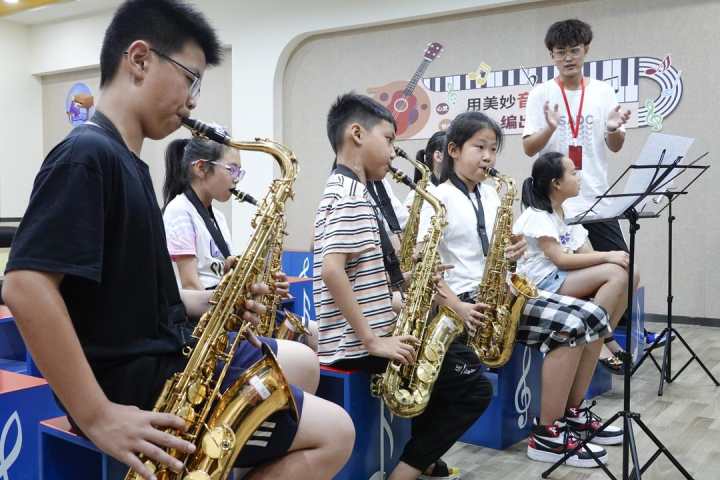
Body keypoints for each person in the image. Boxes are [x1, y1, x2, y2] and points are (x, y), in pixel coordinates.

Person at [1, 2, 352, 479]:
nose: (193, 102)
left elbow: (133, 299)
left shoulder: (126, 161)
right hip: (131, 384)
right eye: (191, 79)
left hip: (156, 357)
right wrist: (97, 415)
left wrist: (213, 301)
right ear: (139, 60)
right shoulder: (86, 154)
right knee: (337, 432)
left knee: (303, 367)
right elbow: (24, 287)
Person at [418, 111, 615, 468]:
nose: (488, 157)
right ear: (453, 150)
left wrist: (515, 250)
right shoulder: (435, 198)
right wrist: (457, 307)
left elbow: (503, 249)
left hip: (502, 291)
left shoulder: (492, 194)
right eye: (479, 148)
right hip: (468, 303)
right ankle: (547, 434)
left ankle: (571, 413)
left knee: (596, 316)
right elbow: (423, 269)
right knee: (570, 326)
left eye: (493, 149)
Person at [314, 93, 492, 480]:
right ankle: (407, 471)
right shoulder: (350, 197)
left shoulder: (348, 189)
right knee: (475, 387)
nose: (394, 151)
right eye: (389, 139)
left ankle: (420, 458)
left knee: (457, 365)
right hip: (357, 345)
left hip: (364, 335)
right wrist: (373, 341)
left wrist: (412, 279)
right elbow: (332, 271)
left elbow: (355, 270)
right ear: (357, 134)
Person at [522, 18, 636, 369]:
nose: (568, 58)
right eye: (560, 52)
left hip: (597, 199)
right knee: (578, 273)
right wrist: (549, 129)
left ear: (586, 50)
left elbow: (615, 145)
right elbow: (529, 148)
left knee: (626, 271)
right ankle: (597, 344)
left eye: (574, 50)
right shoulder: (542, 94)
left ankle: (597, 338)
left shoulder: (602, 92)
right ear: (552, 55)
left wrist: (614, 129)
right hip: (556, 203)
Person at [162, 136, 318, 350]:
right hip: (206, 326)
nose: (237, 179)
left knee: (317, 334)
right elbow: (190, 284)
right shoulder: (179, 210)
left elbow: (223, 273)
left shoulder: (218, 217)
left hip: (226, 314)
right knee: (303, 354)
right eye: (232, 170)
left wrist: (266, 285)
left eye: (239, 172)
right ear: (200, 168)